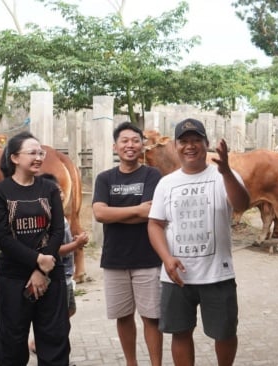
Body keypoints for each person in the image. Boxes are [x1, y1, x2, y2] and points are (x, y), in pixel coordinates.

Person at [148, 118, 250, 366]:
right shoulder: (166, 183)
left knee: (224, 332)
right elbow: (155, 224)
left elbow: (242, 204)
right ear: (175, 145)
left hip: (218, 274)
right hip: (177, 276)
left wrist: (226, 172)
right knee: (180, 332)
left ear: (206, 143)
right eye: (184, 141)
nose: (190, 146)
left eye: (196, 140)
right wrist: (166, 258)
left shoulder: (223, 176)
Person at [0, 131, 70, 365]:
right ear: (14, 157)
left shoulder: (49, 189)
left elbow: (56, 231)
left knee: (54, 340)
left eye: (40, 153)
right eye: (32, 152)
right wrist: (37, 260)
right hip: (13, 278)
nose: (38, 157)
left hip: (50, 275)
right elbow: (2, 237)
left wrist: (42, 269)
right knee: (11, 343)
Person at [92, 122, 164, 366]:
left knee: (151, 317)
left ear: (142, 145)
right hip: (114, 260)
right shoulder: (104, 178)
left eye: (135, 140)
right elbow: (99, 214)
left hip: (147, 257)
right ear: (115, 146)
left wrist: (116, 211)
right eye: (124, 141)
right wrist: (136, 210)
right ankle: (131, 363)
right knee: (123, 317)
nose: (130, 145)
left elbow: (150, 213)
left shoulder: (152, 175)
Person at [29, 173, 89, 354]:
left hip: (67, 274)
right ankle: (45, 348)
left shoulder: (60, 216)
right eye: (56, 192)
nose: (62, 195)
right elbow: (54, 250)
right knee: (58, 320)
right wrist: (76, 245)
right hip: (57, 275)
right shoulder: (47, 220)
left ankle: (44, 344)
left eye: (61, 191)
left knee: (69, 311)